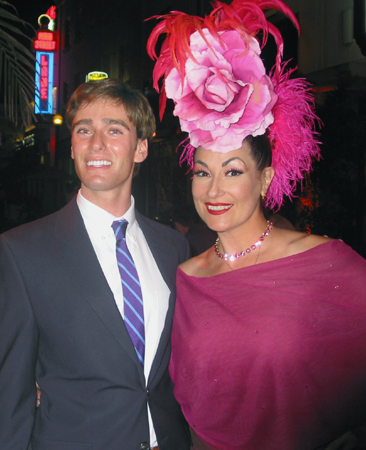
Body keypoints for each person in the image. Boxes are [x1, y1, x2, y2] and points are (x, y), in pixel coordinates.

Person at [147, 1, 366, 449]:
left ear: (264, 178)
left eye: (233, 171)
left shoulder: (322, 262)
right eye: (203, 172)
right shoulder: (187, 277)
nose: (214, 190)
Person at [0, 79, 191, 450]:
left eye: (114, 129)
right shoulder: (21, 252)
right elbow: (6, 395)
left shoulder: (173, 247)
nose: (96, 143)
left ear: (141, 148)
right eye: (84, 130)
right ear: (73, 146)